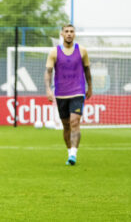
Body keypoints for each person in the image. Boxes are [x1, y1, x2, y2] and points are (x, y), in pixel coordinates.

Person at [44, 24, 92, 166]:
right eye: (67, 31)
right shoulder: (54, 52)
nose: (69, 34)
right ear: (62, 34)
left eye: (72, 31)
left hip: (78, 91)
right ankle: (69, 151)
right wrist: (48, 89)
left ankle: (73, 154)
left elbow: (87, 70)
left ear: (74, 34)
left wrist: (90, 87)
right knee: (66, 126)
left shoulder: (82, 51)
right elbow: (48, 72)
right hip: (61, 93)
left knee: (74, 122)